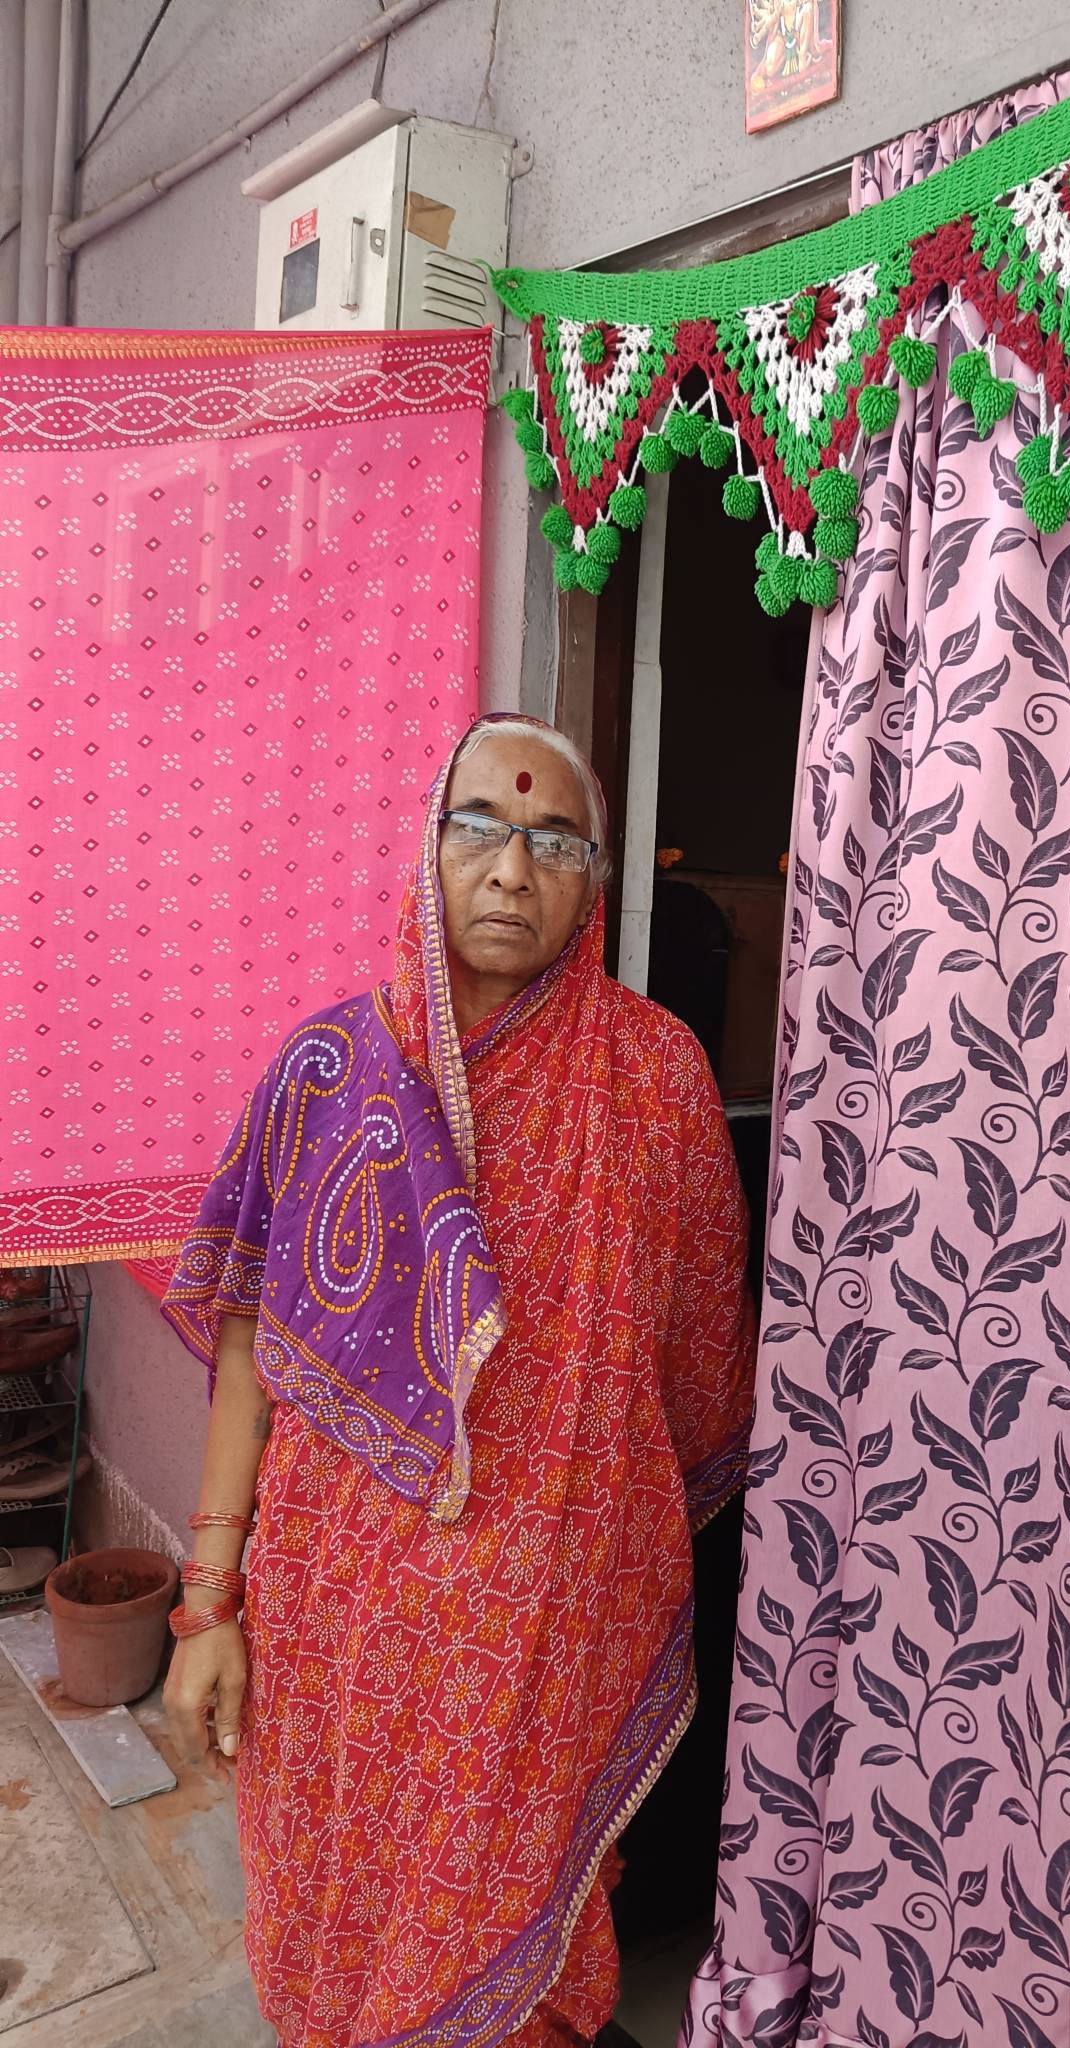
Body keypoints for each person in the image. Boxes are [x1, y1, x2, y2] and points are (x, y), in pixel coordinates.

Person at [161, 714, 757, 2048]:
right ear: (426, 849)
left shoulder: (656, 1081)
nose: (511, 869)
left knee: (518, 1958)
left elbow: (697, 1378)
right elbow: (254, 1343)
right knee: (332, 1927)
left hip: (544, 1639)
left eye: (555, 841)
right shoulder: (328, 1071)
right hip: (336, 1629)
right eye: (478, 826)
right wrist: (208, 1600)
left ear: (596, 879)